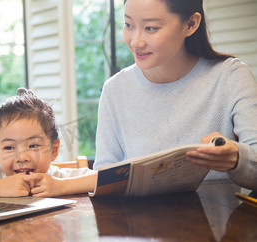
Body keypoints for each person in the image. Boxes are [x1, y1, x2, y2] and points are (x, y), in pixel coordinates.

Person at [93, 0, 257, 191]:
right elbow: (104, 177)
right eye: (128, 25)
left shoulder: (230, 76)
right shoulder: (115, 89)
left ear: (190, 24)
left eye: (151, 28)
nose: (135, 41)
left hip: (217, 218)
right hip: (139, 218)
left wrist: (237, 159)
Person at [0, 88, 97, 197]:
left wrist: (61, 186)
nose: (21, 158)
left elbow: (106, 179)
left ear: (54, 149)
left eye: (33, 145)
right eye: (9, 148)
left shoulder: (56, 177)